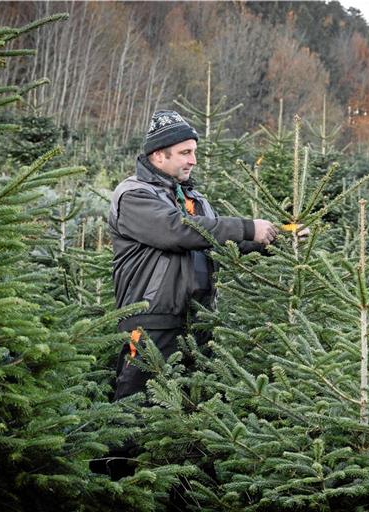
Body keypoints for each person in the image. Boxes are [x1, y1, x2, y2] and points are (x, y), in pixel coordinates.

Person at [108, 110, 277, 400]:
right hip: (152, 320)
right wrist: (248, 227)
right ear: (159, 155)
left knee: (191, 406)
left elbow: (218, 241)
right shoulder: (134, 195)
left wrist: (275, 240)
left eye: (194, 152)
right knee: (135, 406)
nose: (193, 160)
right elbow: (176, 231)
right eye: (185, 153)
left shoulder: (194, 200)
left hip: (198, 321)